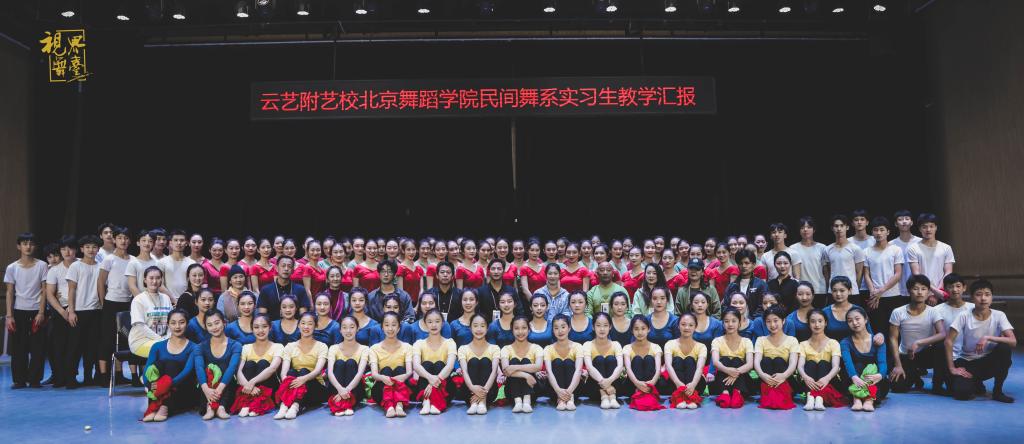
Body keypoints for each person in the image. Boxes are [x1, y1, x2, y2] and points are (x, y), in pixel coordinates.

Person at [945, 279, 1015, 403]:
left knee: (1004, 348)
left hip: (988, 361)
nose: (983, 298)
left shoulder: (999, 315)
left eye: (987, 294)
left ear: (992, 297)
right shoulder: (964, 315)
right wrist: (952, 368)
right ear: (972, 298)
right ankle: (976, 382)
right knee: (962, 394)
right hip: (968, 362)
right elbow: (948, 341)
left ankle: (997, 392)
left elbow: (1012, 341)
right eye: (979, 294)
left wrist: (987, 338)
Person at [4, 232, 49, 389]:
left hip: (37, 310)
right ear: (19, 246)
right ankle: (19, 380)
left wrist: (41, 312)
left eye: (31, 243)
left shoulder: (42, 265)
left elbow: (44, 291)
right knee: (19, 348)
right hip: (19, 311)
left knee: (38, 348)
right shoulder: (12, 268)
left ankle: (35, 379)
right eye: (24, 243)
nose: (28, 246)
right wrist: (9, 315)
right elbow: (10, 292)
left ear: (35, 246)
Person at [888, 274, 947, 394]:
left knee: (942, 346)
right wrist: (898, 365)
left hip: (925, 354)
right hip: (906, 355)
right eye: (915, 289)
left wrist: (919, 343)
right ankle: (915, 375)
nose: (920, 292)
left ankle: (937, 383)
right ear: (909, 291)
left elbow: (942, 334)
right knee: (898, 387)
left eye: (923, 289)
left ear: (928, 292)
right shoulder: (898, 312)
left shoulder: (933, 311)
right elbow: (893, 338)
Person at [140, 309, 198, 422]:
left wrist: (165, 385)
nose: (177, 326)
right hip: (157, 390)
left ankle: (164, 406)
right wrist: (150, 385)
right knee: (157, 366)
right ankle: (155, 406)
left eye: (181, 322)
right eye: (173, 323)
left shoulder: (194, 348)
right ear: (168, 325)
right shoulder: (157, 347)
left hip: (182, 390)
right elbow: (147, 369)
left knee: (172, 364)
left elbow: (186, 372)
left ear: (187, 324)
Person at [65, 235, 104, 387]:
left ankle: (88, 377)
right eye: (87, 247)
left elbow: (102, 289)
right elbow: (71, 290)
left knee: (92, 347)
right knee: (75, 346)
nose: (91, 250)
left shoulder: (101, 266)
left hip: (95, 311)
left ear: (98, 249)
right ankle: (70, 377)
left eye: (94, 247)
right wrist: (71, 311)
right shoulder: (76, 266)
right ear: (81, 249)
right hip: (79, 311)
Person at [97, 226, 134, 385]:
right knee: (107, 339)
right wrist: (103, 302)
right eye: (119, 238)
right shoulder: (109, 259)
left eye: (126, 238)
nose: (123, 241)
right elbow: (101, 282)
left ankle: (119, 374)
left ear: (130, 241)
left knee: (124, 339)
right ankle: (104, 375)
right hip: (111, 303)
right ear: (114, 240)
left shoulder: (133, 260)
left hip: (127, 303)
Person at [274, 312, 329, 419]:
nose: (306, 327)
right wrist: (288, 382)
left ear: (315, 326)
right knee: (291, 372)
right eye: (303, 323)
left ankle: (295, 406)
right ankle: (284, 406)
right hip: (295, 385)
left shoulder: (322, 346)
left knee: (304, 371)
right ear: (298, 325)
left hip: (315, 389)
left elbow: (318, 371)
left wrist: (303, 379)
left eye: (310, 324)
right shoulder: (290, 346)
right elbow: (283, 373)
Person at [193, 309, 242, 420]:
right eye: (210, 325)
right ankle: (209, 407)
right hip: (206, 390)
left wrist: (218, 391)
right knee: (208, 369)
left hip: (227, 388)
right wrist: (206, 390)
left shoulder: (235, 345)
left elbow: (232, 368)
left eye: (217, 323)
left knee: (224, 368)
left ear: (224, 323)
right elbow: (199, 368)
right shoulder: (200, 347)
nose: (214, 327)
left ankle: (221, 407)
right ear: (206, 327)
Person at [231, 314, 282, 417]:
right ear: (252, 329)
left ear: (270, 327)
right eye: (256, 327)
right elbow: (238, 371)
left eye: (264, 326)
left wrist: (252, 382)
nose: (260, 330)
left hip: (269, 388)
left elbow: (272, 369)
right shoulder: (246, 347)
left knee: (263, 363)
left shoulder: (278, 346)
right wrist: (249, 386)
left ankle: (258, 404)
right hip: (248, 389)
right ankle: (247, 403)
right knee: (250, 364)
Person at [864, 216, 906, 338]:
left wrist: (881, 291)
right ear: (872, 232)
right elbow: (866, 274)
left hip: (893, 295)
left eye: (882, 230)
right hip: (875, 298)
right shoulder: (866, 251)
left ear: (888, 232)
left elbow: (898, 274)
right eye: (876, 230)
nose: (878, 233)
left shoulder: (896, 250)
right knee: (878, 331)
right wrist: (873, 292)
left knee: (895, 332)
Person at [44, 236, 77, 387]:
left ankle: (71, 377)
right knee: (58, 345)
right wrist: (62, 312)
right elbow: (50, 294)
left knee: (74, 346)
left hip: (79, 308)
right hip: (60, 310)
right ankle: (59, 377)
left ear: (76, 249)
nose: (67, 252)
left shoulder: (81, 264)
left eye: (70, 248)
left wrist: (72, 308)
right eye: (63, 249)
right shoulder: (54, 270)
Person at [841, 307, 889, 411]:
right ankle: (857, 399)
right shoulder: (845, 342)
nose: (854, 323)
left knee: (872, 367)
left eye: (857, 319)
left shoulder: (878, 340)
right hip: (854, 379)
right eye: (850, 321)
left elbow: (883, 362)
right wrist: (854, 377)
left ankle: (869, 400)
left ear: (865, 319)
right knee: (858, 365)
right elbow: (847, 363)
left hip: (875, 380)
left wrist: (879, 375)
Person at [797, 309, 845, 411]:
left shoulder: (833, 343)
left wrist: (827, 378)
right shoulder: (803, 344)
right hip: (809, 382)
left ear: (825, 323)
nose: (817, 325)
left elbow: (836, 366)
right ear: (808, 324)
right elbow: (800, 366)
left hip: (829, 381)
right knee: (811, 363)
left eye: (820, 321)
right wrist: (805, 377)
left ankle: (819, 398)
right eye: (813, 321)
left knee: (823, 363)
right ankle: (810, 398)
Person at [753, 305, 799, 410]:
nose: (772, 325)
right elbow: (757, 361)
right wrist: (762, 375)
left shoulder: (792, 340)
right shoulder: (761, 340)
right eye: (768, 321)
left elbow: (793, 363)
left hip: (785, 379)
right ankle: (769, 394)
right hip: (766, 379)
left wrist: (783, 376)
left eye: (775, 320)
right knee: (766, 360)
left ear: (783, 321)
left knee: (779, 360)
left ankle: (781, 394)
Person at [412, 309, 457, 415]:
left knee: (439, 364)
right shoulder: (419, 344)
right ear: (425, 324)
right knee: (426, 364)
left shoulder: (450, 343)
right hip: (424, 387)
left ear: (442, 323)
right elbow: (416, 366)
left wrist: (433, 383)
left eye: (437, 321)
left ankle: (436, 403)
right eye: (430, 322)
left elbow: (450, 366)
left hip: (445, 388)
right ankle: (426, 401)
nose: (434, 325)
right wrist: (430, 378)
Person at [368, 312, 414, 418]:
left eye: (394, 325)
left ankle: (399, 405)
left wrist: (401, 377)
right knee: (386, 370)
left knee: (399, 369)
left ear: (398, 328)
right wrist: (384, 378)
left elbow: (409, 372)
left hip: (401, 386)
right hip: (381, 389)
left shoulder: (407, 347)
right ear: (382, 328)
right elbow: (374, 374)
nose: (390, 328)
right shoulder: (374, 349)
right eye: (387, 325)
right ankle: (389, 406)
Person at [710, 307, 754, 409]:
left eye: (734, 321)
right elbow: (715, 362)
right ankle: (725, 393)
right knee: (725, 359)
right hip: (722, 379)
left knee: (737, 360)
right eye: (726, 321)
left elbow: (750, 364)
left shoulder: (746, 341)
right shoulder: (717, 341)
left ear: (739, 323)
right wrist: (728, 370)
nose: (730, 324)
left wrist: (735, 373)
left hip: (742, 380)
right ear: (722, 323)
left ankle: (737, 392)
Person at [906, 213, 955, 304]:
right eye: (924, 227)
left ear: (936, 227)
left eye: (931, 226)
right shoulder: (913, 248)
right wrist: (934, 291)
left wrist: (937, 293)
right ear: (920, 229)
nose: (928, 230)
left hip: (941, 292)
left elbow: (948, 272)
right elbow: (916, 274)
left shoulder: (946, 248)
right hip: (921, 293)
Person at [128, 267, 174, 363]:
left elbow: (172, 321)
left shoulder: (166, 298)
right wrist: (161, 340)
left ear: (161, 280)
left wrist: (168, 337)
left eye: (158, 278)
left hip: (164, 340)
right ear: (145, 280)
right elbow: (140, 326)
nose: (154, 281)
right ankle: (148, 373)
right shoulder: (138, 300)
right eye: (151, 278)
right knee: (163, 350)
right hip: (141, 340)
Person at [458, 313, 501, 415]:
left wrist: (483, 393)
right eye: (475, 325)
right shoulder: (463, 349)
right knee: (473, 361)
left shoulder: (494, 348)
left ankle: (482, 402)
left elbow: (494, 371)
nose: (479, 329)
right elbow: (464, 371)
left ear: (487, 328)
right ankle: (473, 404)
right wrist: (473, 388)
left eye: (482, 326)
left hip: (489, 391)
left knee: (485, 360)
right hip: (469, 391)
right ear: (470, 328)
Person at [326, 316, 369, 416]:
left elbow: (360, 373)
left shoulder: (364, 349)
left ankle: (348, 403)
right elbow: (330, 373)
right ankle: (340, 403)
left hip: (355, 391)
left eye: (352, 327)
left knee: (351, 362)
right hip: (337, 390)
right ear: (340, 330)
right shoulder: (333, 348)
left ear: (357, 329)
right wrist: (340, 390)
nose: (348, 331)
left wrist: (346, 391)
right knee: (339, 363)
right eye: (344, 327)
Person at [664, 312, 708, 410]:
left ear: (695, 327)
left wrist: (693, 384)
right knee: (678, 360)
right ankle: (679, 397)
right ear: (678, 326)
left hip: (695, 384)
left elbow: (700, 368)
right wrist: (678, 383)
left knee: (689, 360)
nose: (687, 328)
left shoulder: (701, 347)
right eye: (683, 324)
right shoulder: (670, 344)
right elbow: (668, 365)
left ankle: (691, 398)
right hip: (675, 384)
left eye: (691, 325)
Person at [501, 316, 544, 413]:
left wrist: (514, 367)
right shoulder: (506, 349)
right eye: (516, 328)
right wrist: (526, 375)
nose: (520, 332)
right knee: (515, 360)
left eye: (524, 328)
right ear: (512, 330)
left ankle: (527, 401)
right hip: (512, 393)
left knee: (525, 360)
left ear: (529, 329)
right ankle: (518, 402)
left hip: (532, 391)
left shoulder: (536, 348)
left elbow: (538, 367)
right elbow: (506, 370)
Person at [582, 312, 624, 409]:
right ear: (593, 327)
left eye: (605, 325)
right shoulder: (587, 345)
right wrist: (605, 384)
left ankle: (612, 398)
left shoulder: (616, 344)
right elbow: (589, 367)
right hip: (595, 389)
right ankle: (604, 397)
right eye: (598, 325)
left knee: (610, 359)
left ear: (610, 327)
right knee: (599, 359)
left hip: (614, 388)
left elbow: (620, 366)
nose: (602, 329)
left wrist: (609, 381)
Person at [622, 315, 665, 411]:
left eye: (643, 328)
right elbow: (628, 369)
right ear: (632, 330)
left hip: (652, 384)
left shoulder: (655, 347)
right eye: (636, 329)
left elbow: (658, 369)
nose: (640, 332)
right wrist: (638, 384)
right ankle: (639, 394)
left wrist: (652, 383)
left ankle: (648, 394)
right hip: (633, 385)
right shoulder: (627, 348)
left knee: (649, 358)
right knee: (637, 359)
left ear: (649, 329)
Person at [544, 314, 585, 411]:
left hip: (574, 390)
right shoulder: (548, 349)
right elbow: (549, 372)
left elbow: (578, 371)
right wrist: (558, 391)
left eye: (563, 327)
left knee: (568, 362)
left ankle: (570, 399)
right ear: (553, 330)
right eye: (556, 328)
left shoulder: (577, 347)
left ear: (569, 328)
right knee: (557, 362)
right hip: (555, 390)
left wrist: (569, 392)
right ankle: (560, 400)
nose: (560, 331)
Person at [824, 215, 866, 306]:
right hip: (833, 291)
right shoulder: (827, 249)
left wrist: (854, 288)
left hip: (851, 291)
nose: (839, 229)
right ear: (832, 228)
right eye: (836, 226)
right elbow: (829, 270)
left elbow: (859, 272)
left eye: (842, 226)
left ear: (847, 227)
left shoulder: (856, 249)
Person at [789, 216, 829, 308]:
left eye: (809, 227)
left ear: (814, 230)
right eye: (802, 227)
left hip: (819, 290)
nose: (805, 230)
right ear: (799, 230)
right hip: (801, 291)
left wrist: (828, 289)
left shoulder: (822, 248)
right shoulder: (793, 248)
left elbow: (826, 271)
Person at [257, 256, 310, 320]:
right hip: (272, 325)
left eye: (289, 266)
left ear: (293, 270)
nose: (286, 269)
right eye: (283, 266)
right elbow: (262, 317)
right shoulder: (265, 290)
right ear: (276, 268)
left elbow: (303, 317)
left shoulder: (300, 290)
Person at [725, 249, 768, 317]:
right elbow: (726, 306)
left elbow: (762, 307)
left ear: (753, 264)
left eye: (747, 263)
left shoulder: (761, 285)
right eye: (740, 263)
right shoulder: (732, 286)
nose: (743, 266)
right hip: (734, 321)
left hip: (754, 322)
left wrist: (752, 321)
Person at [890, 209, 922, 299]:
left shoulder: (920, 242)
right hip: (897, 290)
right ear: (896, 224)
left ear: (911, 222)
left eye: (907, 219)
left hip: (919, 289)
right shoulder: (891, 244)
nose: (904, 221)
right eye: (900, 219)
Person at [157, 229, 196, 299]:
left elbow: (194, 285)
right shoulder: (162, 262)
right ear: (170, 243)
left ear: (186, 243)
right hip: (167, 300)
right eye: (175, 240)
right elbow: (160, 285)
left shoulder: (192, 263)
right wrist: (173, 300)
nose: (179, 243)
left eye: (182, 240)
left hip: (187, 300)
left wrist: (184, 300)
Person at [124, 230, 158, 297]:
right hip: (139, 300)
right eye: (144, 240)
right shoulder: (133, 263)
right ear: (138, 243)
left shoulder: (156, 262)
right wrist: (143, 301)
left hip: (155, 298)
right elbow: (132, 286)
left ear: (154, 244)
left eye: (150, 241)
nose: (147, 243)